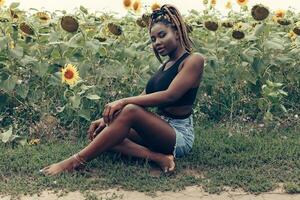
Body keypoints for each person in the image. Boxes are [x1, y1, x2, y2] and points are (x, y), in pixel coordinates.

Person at [42, 4, 204, 176]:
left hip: (178, 136)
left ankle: (75, 162)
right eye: (153, 39)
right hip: (159, 129)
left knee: (131, 110)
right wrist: (107, 119)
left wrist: (123, 101)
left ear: (177, 32)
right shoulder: (166, 65)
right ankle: (160, 158)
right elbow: (145, 97)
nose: (157, 43)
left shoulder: (194, 60)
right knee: (103, 132)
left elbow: (170, 96)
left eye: (162, 35)